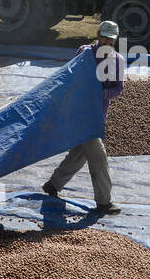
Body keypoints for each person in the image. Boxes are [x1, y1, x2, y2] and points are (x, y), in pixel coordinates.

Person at [43, 20, 126, 215]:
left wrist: (99, 93)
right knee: (98, 157)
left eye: (111, 39)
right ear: (98, 34)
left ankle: (53, 185)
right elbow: (69, 77)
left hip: (97, 116)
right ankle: (104, 202)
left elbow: (117, 89)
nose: (107, 41)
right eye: (104, 37)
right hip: (80, 115)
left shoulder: (117, 61)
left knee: (79, 153)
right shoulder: (84, 52)